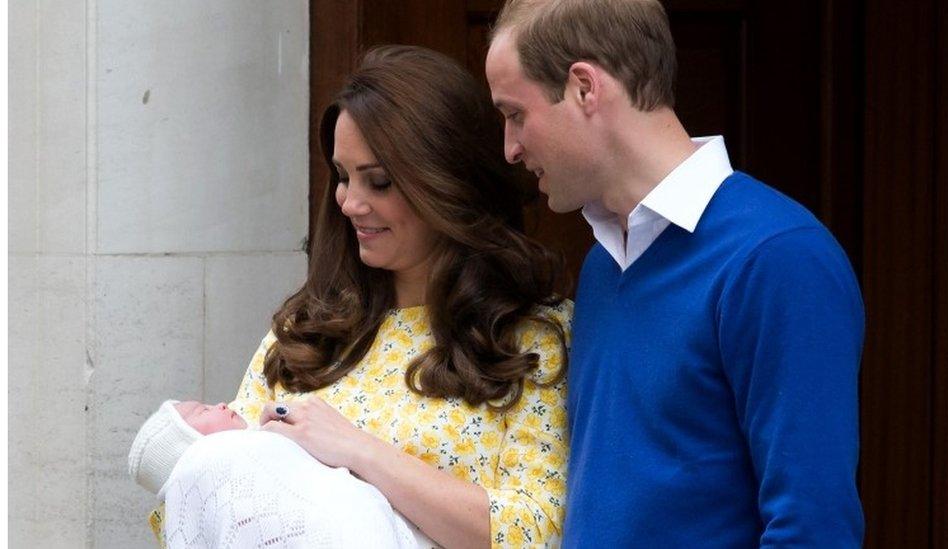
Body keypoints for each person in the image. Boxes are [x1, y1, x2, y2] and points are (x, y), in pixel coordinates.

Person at [147, 45, 573, 548]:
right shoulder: (308, 330)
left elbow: (536, 531)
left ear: (450, 182)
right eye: (344, 177)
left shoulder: (532, 338)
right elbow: (214, 496)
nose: (349, 202)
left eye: (380, 181)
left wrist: (357, 450)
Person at [485, 1, 865, 547]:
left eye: (515, 113)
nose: (510, 148)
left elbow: (814, 529)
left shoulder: (776, 257)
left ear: (584, 88)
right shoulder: (604, 265)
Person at [129, 400, 422, 548]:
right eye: (202, 411)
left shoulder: (263, 443)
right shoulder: (213, 466)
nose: (220, 404)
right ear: (188, 446)